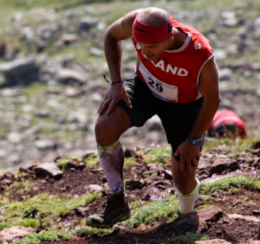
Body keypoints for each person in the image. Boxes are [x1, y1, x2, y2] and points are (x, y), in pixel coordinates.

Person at [86, 7, 220, 228]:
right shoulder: (137, 21)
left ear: (168, 37)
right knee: (105, 125)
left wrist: (194, 140)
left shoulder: (199, 52)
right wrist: (117, 83)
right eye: (140, 45)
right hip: (145, 89)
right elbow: (111, 35)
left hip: (184, 106)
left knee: (184, 182)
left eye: (152, 47)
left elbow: (213, 99)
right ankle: (117, 201)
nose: (145, 52)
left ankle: (185, 214)